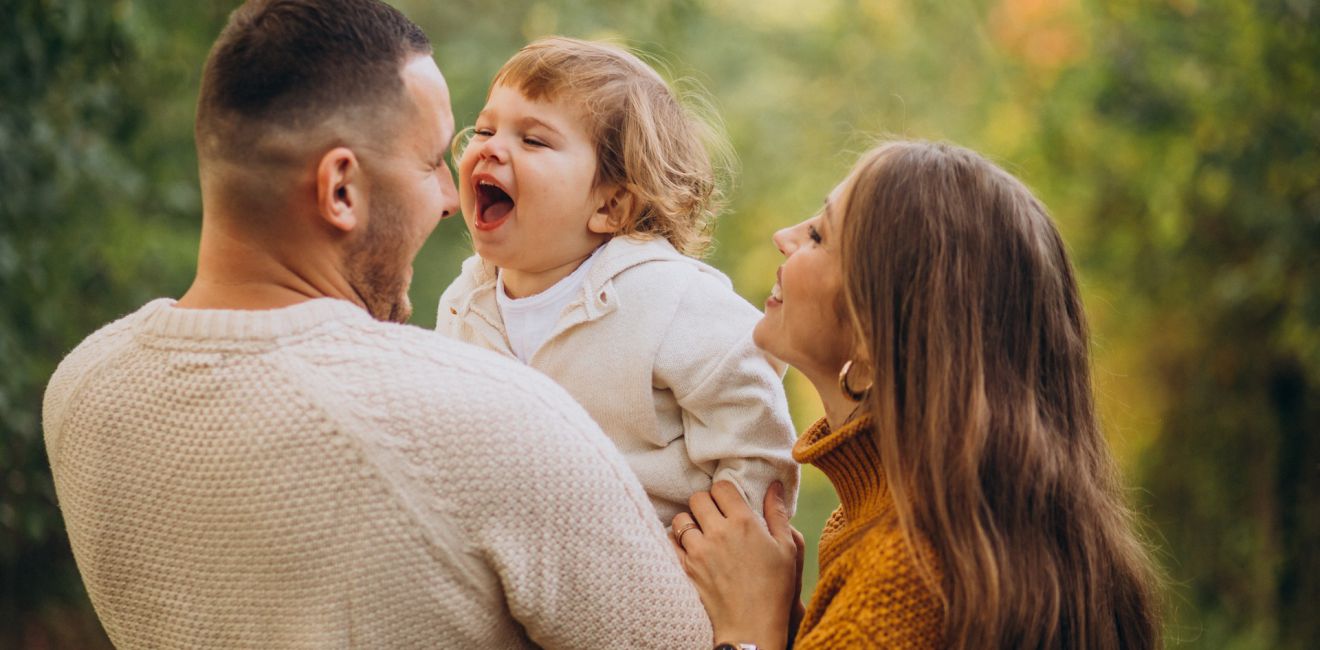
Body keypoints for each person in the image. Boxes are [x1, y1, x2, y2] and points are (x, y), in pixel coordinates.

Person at [41, 2, 711, 647]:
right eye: (430, 165)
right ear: (340, 190)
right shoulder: (496, 424)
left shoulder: (81, 389)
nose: (452, 197)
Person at [670, 141, 1163, 649]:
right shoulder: (953, 526)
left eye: (817, 236)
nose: (784, 237)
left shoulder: (903, 575)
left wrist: (747, 634)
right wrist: (789, 623)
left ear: (871, 335)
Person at [436, 37, 798, 524]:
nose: (490, 149)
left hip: (651, 573)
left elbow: (753, 421)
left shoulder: (667, 297)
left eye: (533, 139)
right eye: (483, 129)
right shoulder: (465, 303)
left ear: (610, 206)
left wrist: (724, 547)